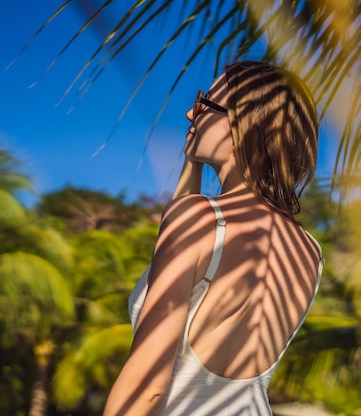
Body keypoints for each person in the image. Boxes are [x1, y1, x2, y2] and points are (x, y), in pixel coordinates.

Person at [103, 61, 324, 416]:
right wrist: (193, 158)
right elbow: (181, 223)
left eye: (205, 103)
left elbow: (145, 390)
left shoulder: (199, 220)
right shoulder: (308, 250)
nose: (192, 112)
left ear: (242, 123)